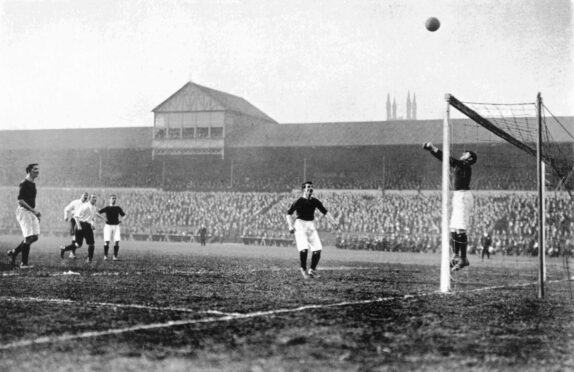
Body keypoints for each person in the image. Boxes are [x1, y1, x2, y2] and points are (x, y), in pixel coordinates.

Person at [423, 142, 477, 271]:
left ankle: (463, 259)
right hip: (458, 197)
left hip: (463, 197)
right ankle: (456, 255)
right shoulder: (461, 165)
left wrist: (433, 148)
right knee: (453, 229)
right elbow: (446, 160)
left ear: (469, 158)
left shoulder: (465, 165)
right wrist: (433, 151)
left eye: (466, 153)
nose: (463, 154)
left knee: (460, 229)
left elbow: (448, 159)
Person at [285, 181, 339, 279]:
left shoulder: (315, 201)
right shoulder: (299, 201)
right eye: (308, 187)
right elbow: (289, 214)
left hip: (311, 225)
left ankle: (312, 270)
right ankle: (303, 268)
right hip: (300, 224)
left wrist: (333, 221)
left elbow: (325, 212)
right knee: (304, 248)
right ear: (303, 189)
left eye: (312, 187)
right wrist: (290, 226)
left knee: (317, 249)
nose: (310, 188)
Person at [6, 163, 41, 269]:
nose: (37, 172)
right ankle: (24, 264)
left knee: (34, 237)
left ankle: (14, 252)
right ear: (29, 171)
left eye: (38, 170)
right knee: (28, 237)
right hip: (24, 211)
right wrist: (33, 211)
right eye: (35, 170)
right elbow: (20, 200)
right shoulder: (24, 183)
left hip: (30, 212)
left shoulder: (33, 184)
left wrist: (34, 214)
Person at [60, 194, 98, 263]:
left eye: (95, 198)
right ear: (89, 199)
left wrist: (92, 224)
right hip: (82, 225)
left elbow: (92, 218)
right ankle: (90, 259)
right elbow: (76, 216)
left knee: (78, 244)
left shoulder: (94, 207)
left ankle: (64, 248)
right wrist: (79, 225)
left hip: (87, 225)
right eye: (93, 198)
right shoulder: (85, 206)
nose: (95, 199)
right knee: (91, 244)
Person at [98, 194, 126, 261]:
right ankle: (105, 255)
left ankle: (115, 256)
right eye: (112, 198)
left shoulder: (118, 208)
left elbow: (124, 215)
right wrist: (103, 218)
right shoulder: (107, 208)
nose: (114, 199)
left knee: (117, 241)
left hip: (116, 226)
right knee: (107, 241)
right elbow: (97, 213)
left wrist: (121, 220)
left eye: (115, 198)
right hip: (108, 226)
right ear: (109, 199)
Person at [63, 192, 89, 259]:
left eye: (86, 196)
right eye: (84, 196)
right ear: (81, 196)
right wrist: (66, 216)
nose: (85, 197)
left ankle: (70, 251)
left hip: (82, 222)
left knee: (79, 241)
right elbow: (66, 209)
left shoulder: (87, 204)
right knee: (74, 237)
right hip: (74, 221)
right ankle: (71, 253)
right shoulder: (76, 202)